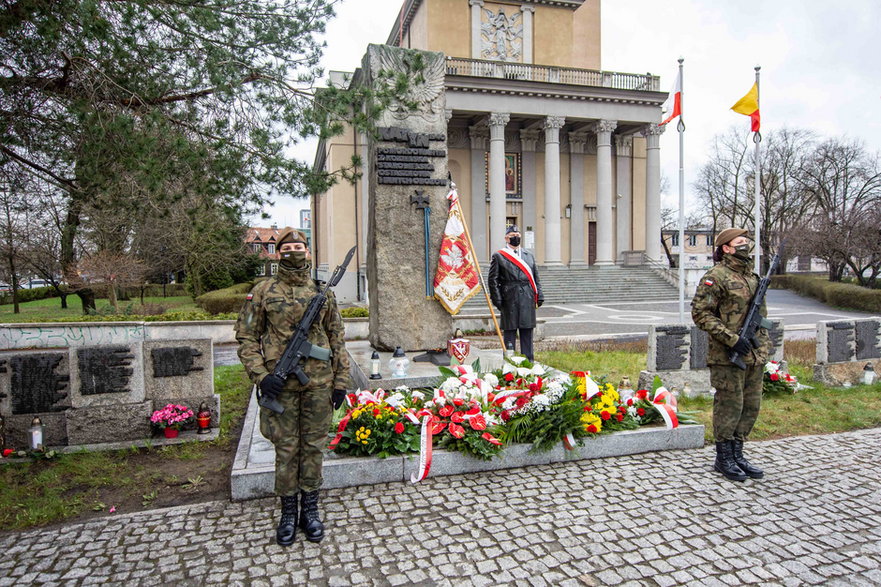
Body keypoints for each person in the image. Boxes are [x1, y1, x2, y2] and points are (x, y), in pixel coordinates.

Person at [235, 228, 350, 545]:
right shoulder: (262, 291)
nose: (294, 252)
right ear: (276, 253)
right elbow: (246, 338)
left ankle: (309, 511)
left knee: (313, 448)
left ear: (309, 253)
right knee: (286, 451)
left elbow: (338, 339)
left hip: (319, 385)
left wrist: (341, 381)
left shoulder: (322, 292)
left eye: (300, 247)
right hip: (280, 385)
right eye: (288, 248)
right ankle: (288, 512)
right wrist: (261, 376)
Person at [691, 228, 771, 482]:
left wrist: (762, 348)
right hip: (727, 355)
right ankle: (723, 457)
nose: (746, 245)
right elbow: (701, 313)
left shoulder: (753, 277)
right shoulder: (716, 277)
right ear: (726, 248)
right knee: (730, 406)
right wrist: (732, 339)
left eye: (747, 241)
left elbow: (761, 318)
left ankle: (738, 454)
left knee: (750, 406)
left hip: (753, 354)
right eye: (740, 242)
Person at [488, 225, 544, 361]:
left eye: (518, 235)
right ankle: (509, 364)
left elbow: (536, 277)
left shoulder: (528, 256)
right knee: (510, 334)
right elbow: (492, 280)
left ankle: (528, 363)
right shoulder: (499, 256)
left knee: (527, 332)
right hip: (509, 298)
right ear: (506, 238)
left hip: (527, 297)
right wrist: (498, 301)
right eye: (513, 235)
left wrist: (539, 295)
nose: (516, 237)